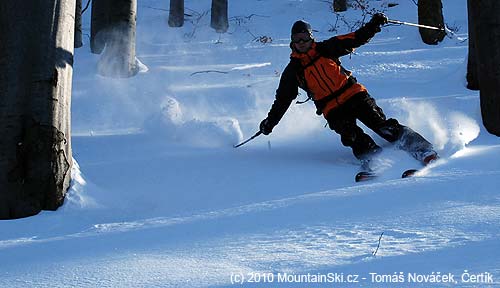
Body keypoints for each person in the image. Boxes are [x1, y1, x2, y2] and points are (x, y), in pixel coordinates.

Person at [259, 13, 438, 165]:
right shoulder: (293, 70)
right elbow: (282, 100)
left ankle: (423, 150)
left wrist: (374, 24)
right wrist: (270, 123)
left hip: (353, 95)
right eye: (297, 39)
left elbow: (356, 38)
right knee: (352, 136)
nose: (301, 42)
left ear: (311, 36)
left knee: (382, 126)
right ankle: (377, 161)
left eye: (304, 37)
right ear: (292, 42)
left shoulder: (327, 48)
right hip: (332, 108)